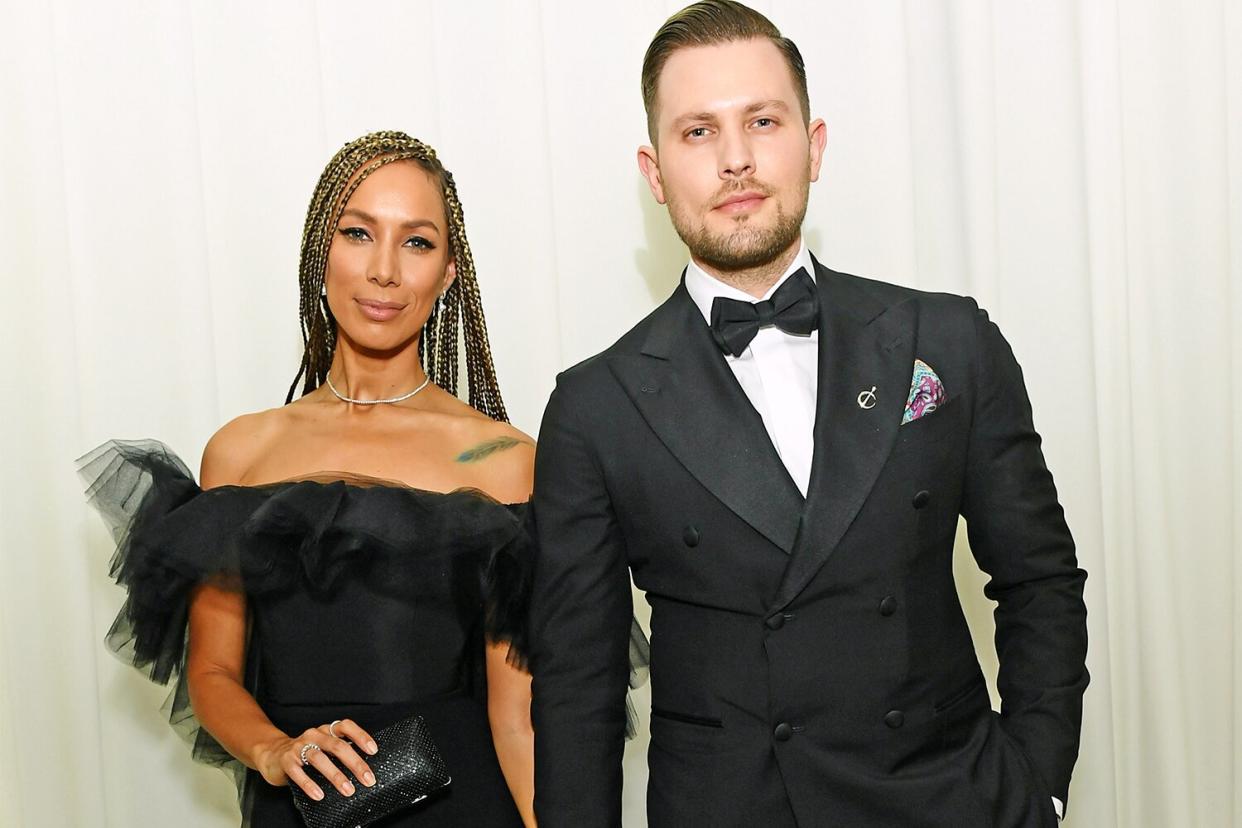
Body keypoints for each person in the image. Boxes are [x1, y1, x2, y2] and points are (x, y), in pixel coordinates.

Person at [528, 3, 1088, 827]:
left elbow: (1039, 579)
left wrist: (1035, 780)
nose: (737, 160)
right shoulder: (593, 408)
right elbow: (579, 685)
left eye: (762, 120)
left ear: (813, 145)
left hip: (953, 800)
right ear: (654, 173)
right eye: (697, 133)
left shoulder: (949, 340)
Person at [80, 131, 536, 827]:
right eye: (358, 233)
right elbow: (212, 673)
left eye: (416, 242)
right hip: (294, 809)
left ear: (447, 276)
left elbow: (518, 720)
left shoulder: (501, 459)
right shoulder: (240, 453)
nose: (383, 270)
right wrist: (273, 750)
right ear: (320, 254)